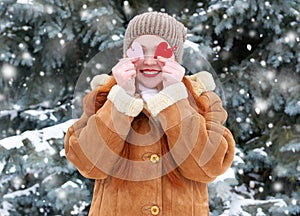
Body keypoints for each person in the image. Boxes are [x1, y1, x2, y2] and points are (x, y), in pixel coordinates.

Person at [64, 11, 235, 216]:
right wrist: (122, 99)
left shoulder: (203, 100)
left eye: (161, 51)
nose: (149, 60)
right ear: (127, 55)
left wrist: (175, 101)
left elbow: (208, 167)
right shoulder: (104, 97)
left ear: (176, 57)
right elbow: (89, 164)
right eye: (139, 51)